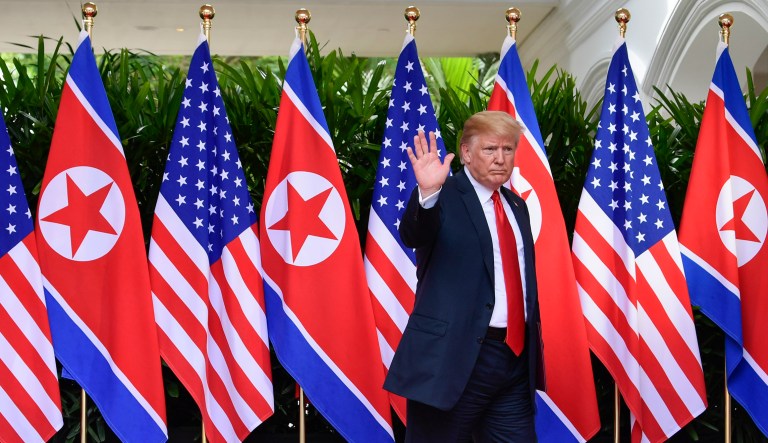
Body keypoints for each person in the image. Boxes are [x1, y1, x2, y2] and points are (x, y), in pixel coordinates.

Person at [384, 111, 545, 442]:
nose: (500, 159)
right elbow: (414, 233)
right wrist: (428, 193)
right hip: (453, 359)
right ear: (467, 153)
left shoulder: (517, 206)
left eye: (508, 149)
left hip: (513, 363)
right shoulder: (443, 196)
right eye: (490, 150)